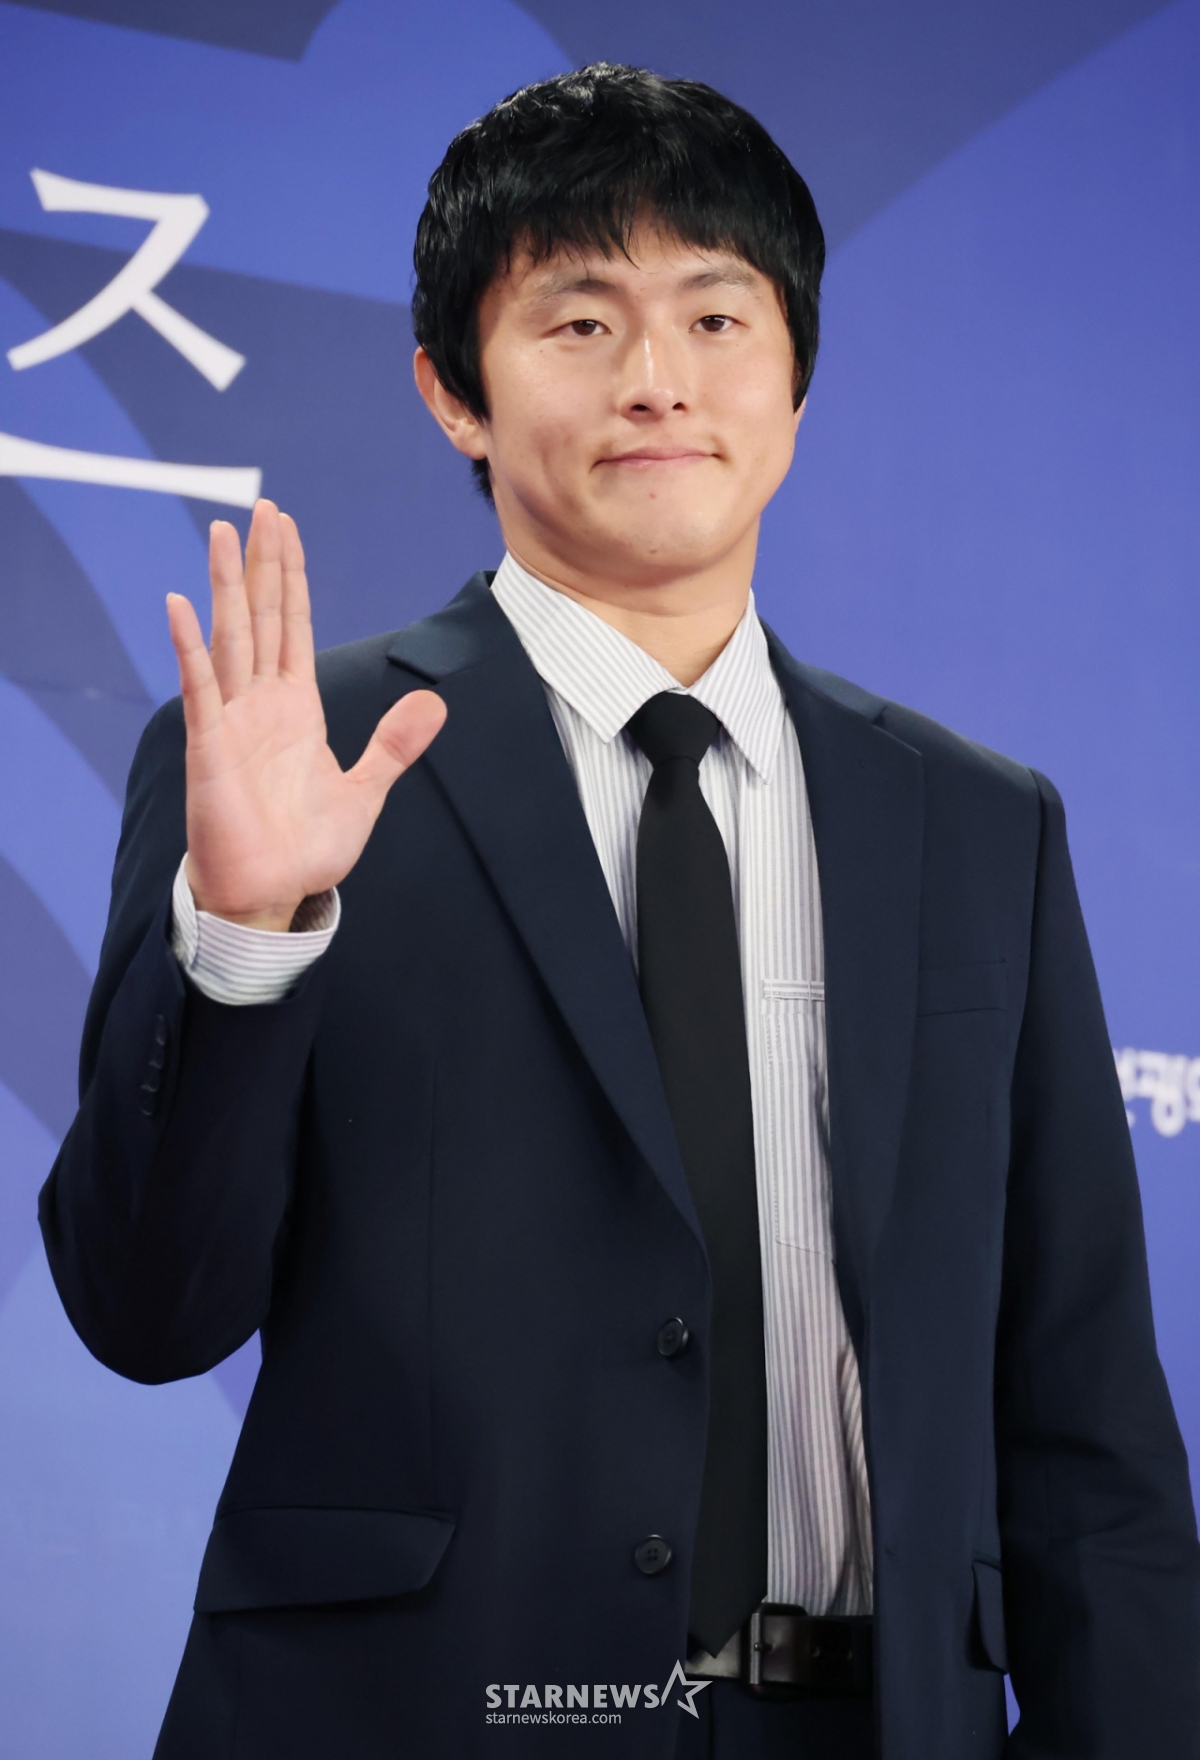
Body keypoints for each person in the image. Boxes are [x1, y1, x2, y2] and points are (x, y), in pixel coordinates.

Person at [40, 63, 1199, 1760]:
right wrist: (247, 942)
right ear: (455, 392)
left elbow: (1089, 1423)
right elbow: (149, 1315)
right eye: (580, 323)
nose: (659, 379)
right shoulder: (304, 760)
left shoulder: (977, 825)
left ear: (796, 375)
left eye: (717, 318)